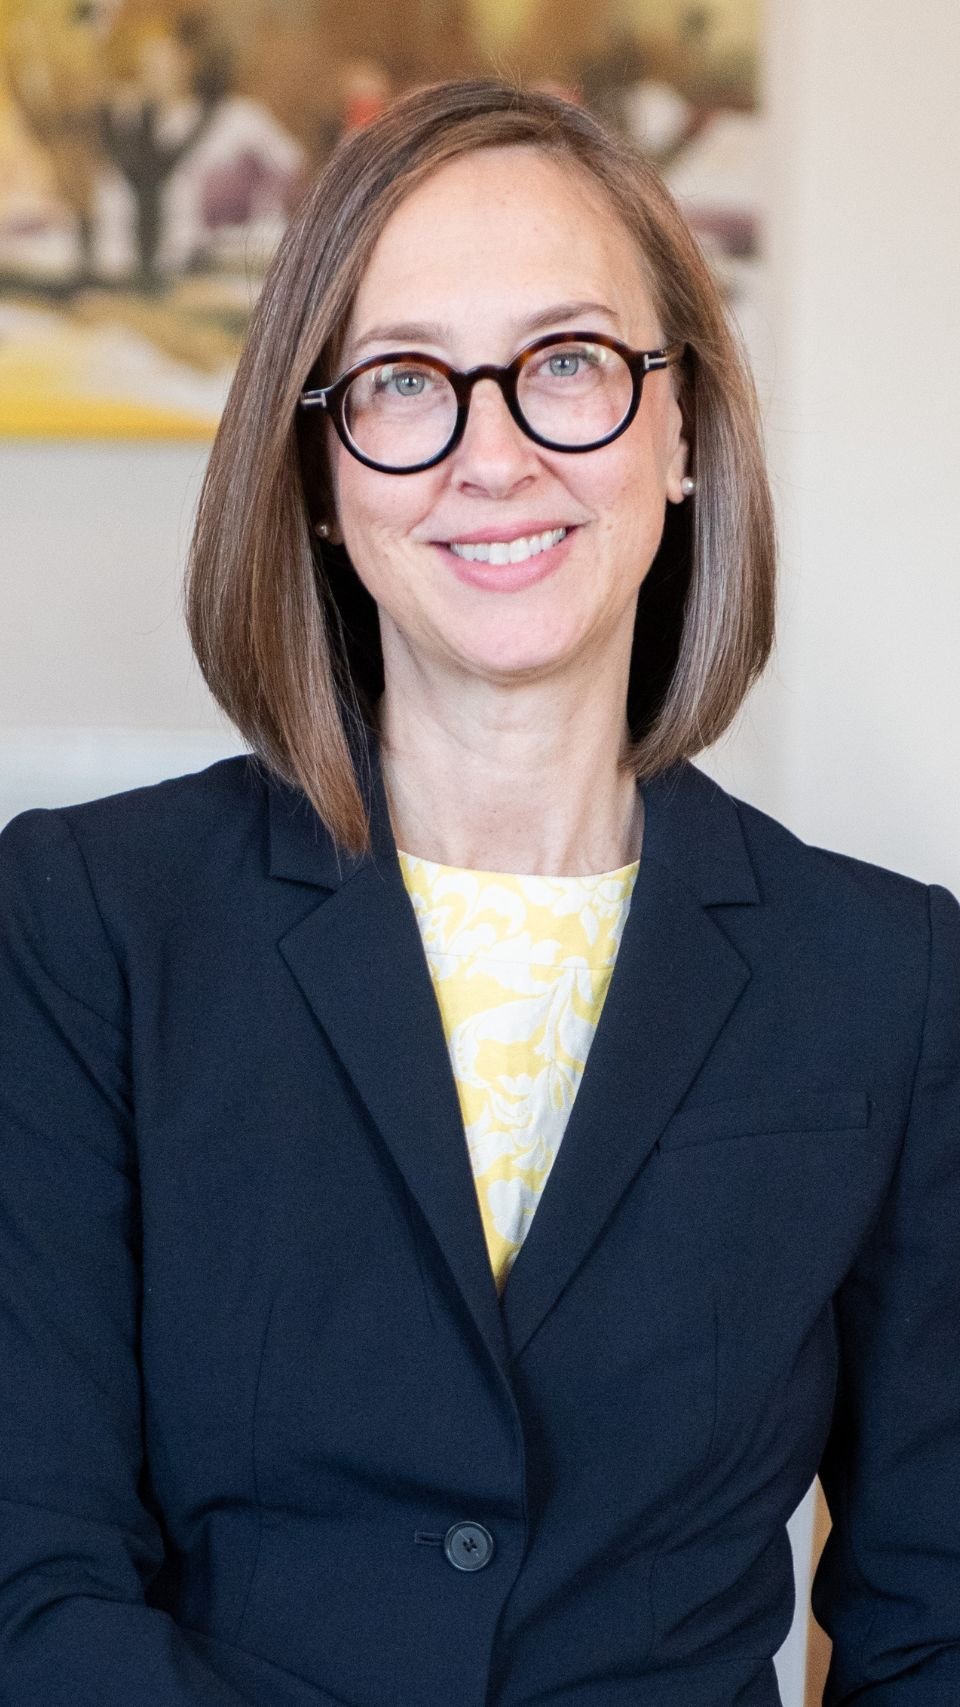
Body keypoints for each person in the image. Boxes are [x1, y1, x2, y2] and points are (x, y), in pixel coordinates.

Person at [0, 78, 958, 1707]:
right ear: (320, 471)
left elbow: (932, 1628)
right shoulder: (85, 924)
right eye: (404, 381)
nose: (493, 452)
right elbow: (33, 1592)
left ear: (683, 433)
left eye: (570, 362)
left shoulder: (893, 974)